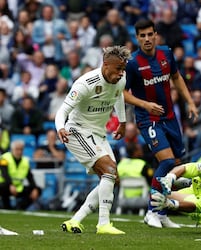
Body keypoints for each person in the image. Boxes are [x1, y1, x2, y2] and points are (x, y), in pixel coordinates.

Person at [124, 19, 198, 228]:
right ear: (137, 38)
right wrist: (145, 105)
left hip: (170, 117)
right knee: (166, 162)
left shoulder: (166, 53)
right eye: (142, 36)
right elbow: (121, 93)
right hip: (148, 119)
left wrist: (190, 102)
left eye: (150, 34)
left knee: (175, 165)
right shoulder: (132, 63)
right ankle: (151, 212)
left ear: (155, 35)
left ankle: (163, 213)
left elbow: (177, 77)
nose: (147, 39)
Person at [55, 45, 131, 235]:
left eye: (123, 69)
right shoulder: (85, 83)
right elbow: (62, 111)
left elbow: (119, 96)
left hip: (98, 133)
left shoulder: (120, 79)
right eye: (118, 69)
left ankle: (75, 220)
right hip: (77, 131)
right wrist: (60, 128)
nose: (121, 73)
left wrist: (122, 122)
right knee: (109, 170)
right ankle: (103, 224)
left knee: (112, 177)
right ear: (105, 65)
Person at [0, 140, 41, 210]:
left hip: (18, 187)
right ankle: (6, 207)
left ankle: (20, 207)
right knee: (4, 187)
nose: (19, 152)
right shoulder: (4, 158)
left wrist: (35, 188)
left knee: (37, 190)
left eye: (21, 149)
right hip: (4, 185)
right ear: (12, 150)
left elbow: (30, 177)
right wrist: (10, 184)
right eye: (17, 149)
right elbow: (5, 174)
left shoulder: (25, 161)